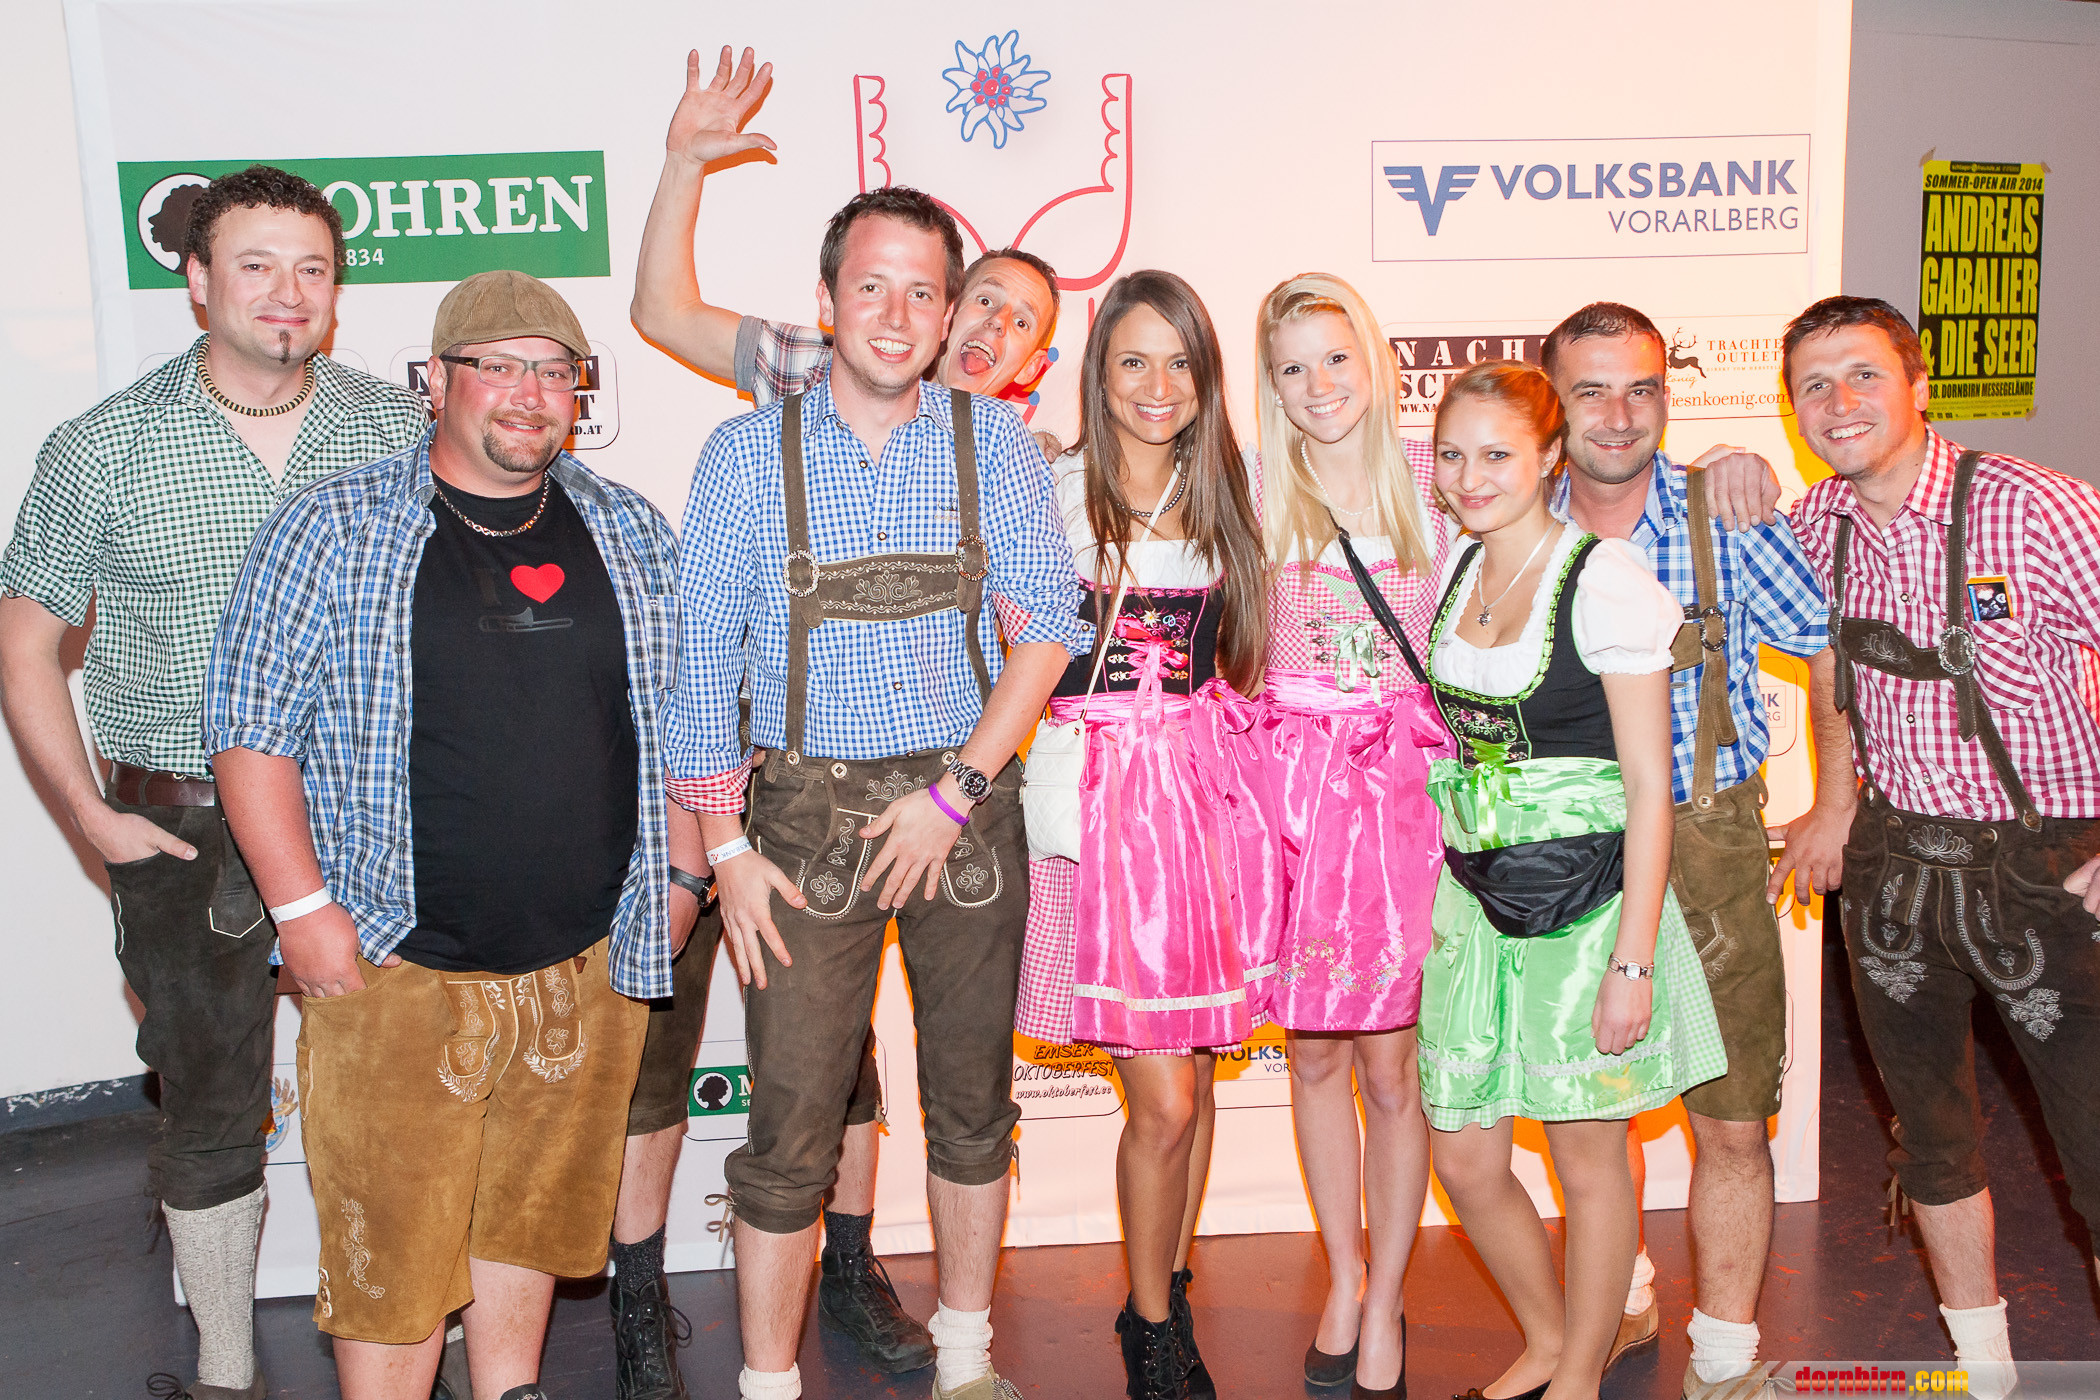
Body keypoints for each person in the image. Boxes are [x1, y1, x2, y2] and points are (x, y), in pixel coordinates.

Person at [619, 49, 1065, 1387]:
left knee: (973, 1103)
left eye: (923, 291)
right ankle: (768, 1381)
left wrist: (956, 794)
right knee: (790, 1129)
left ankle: (969, 1358)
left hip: (961, 800)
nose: (896, 311)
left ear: (948, 314)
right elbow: (699, 664)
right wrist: (728, 849)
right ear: (826, 302)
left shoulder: (1000, 446)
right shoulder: (748, 450)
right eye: (871, 285)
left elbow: (1044, 632)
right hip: (797, 813)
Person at [200, 271, 699, 1400]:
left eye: (556, 370)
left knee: (529, 1226)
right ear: (435, 380)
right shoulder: (332, 526)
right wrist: (302, 912)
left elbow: (683, 717)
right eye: (499, 365)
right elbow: (249, 728)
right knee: (391, 1260)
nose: (531, 392)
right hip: (395, 968)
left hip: (587, 968)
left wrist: (680, 875)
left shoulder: (628, 527)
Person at [0, 165, 428, 1400]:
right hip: (181, 829)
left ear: (336, 289)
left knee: (406, 1091)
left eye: (312, 268)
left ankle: (419, 1340)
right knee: (208, 1100)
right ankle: (228, 1370)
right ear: (196, 280)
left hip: (367, 813)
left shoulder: (397, 429)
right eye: (255, 265)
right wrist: (92, 818)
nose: (287, 292)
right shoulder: (104, 444)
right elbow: (24, 642)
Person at [1786, 296, 2100, 1398]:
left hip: (2047, 867)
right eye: (1815, 384)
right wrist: (1835, 799)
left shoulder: (2036, 507)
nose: (1840, 402)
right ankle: (1987, 1371)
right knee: (1930, 1138)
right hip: (1893, 871)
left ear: (1919, 387)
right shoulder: (1811, 524)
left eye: (1864, 374)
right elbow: (1826, 667)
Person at [1540, 302, 1846, 1397]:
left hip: (1711, 837)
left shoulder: (1729, 517)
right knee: (1593, 1115)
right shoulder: (1512, 518)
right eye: (1591, 390)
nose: (1620, 415)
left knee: (1731, 1121)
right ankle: (1622, 1303)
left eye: (1643, 388)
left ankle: (1724, 1361)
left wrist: (1836, 800)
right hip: (1574, 848)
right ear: (1551, 403)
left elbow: (1825, 650)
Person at [1418, 361, 1726, 1400]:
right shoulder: (1457, 567)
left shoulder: (1607, 580)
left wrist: (1632, 962)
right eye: (1452, 454)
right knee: (1463, 1156)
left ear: (1549, 457)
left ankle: (1580, 1377)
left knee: (1587, 1155)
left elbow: (1649, 789)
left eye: (1496, 454)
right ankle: (1551, 1339)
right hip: (1477, 893)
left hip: (1590, 901)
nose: (1470, 477)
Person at [1011, 270, 1268, 1400]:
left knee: (1195, 1085)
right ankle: (1150, 1322)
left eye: (1179, 362)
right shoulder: (1046, 489)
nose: (1157, 386)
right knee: (1162, 1101)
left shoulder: (1231, 494)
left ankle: (1169, 1278)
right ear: (1098, 373)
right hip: (1093, 814)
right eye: (1133, 361)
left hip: (1201, 812)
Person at [1234, 272, 1452, 1400]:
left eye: (1335, 357)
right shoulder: (1250, 486)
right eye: (1292, 367)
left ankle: (1389, 1294)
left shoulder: (1435, 475)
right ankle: (1345, 1273)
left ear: (1373, 359)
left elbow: (1570, 498)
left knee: (1392, 1063)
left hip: (1403, 799)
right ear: (1269, 386)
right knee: (1313, 1053)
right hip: (1290, 801)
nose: (1318, 385)